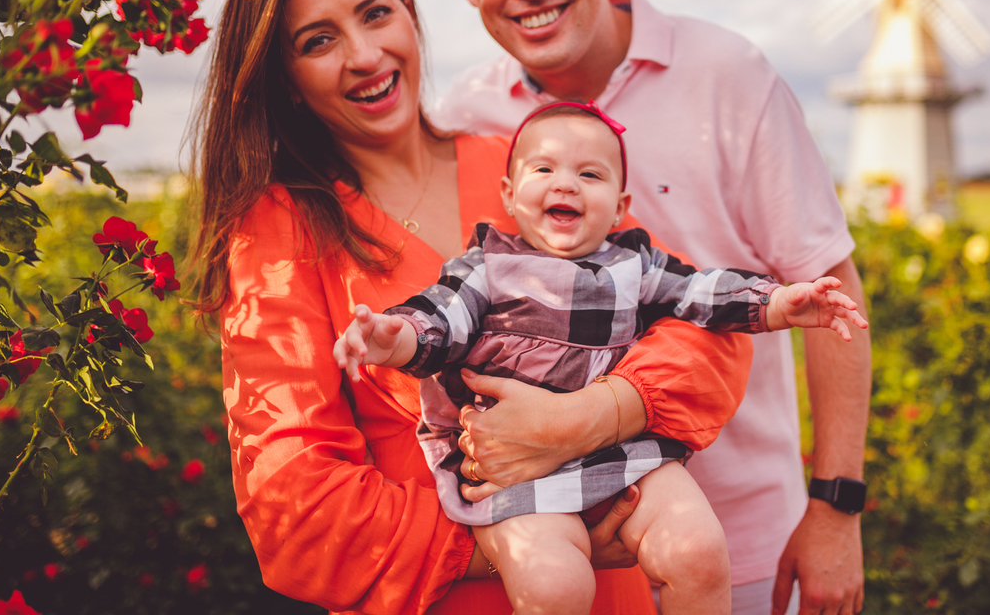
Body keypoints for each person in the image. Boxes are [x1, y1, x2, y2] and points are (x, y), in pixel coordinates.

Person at [188, 0, 755, 615]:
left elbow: (705, 328)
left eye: (376, 13)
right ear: (288, 80)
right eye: (318, 41)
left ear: (409, 12)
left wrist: (589, 418)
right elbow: (294, 506)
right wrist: (537, 535)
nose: (364, 55)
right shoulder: (278, 230)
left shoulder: (526, 166)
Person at [433, 0, 873, 615]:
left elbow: (829, 286)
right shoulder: (467, 112)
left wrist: (836, 508)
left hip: (737, 546)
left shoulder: (729, 78)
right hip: (563, 547)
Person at [335, 102, 868, 615]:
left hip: (618, 451)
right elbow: (440, 319)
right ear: (510, 194)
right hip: (513, 469)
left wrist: (778, 302)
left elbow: (702, 292)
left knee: (700, 553)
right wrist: (392, 338)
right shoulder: (486, 266)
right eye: (544, 169)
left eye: (590, 174)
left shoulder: (634, 264)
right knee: (556, 587)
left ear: (618, 206)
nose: (565, 183)